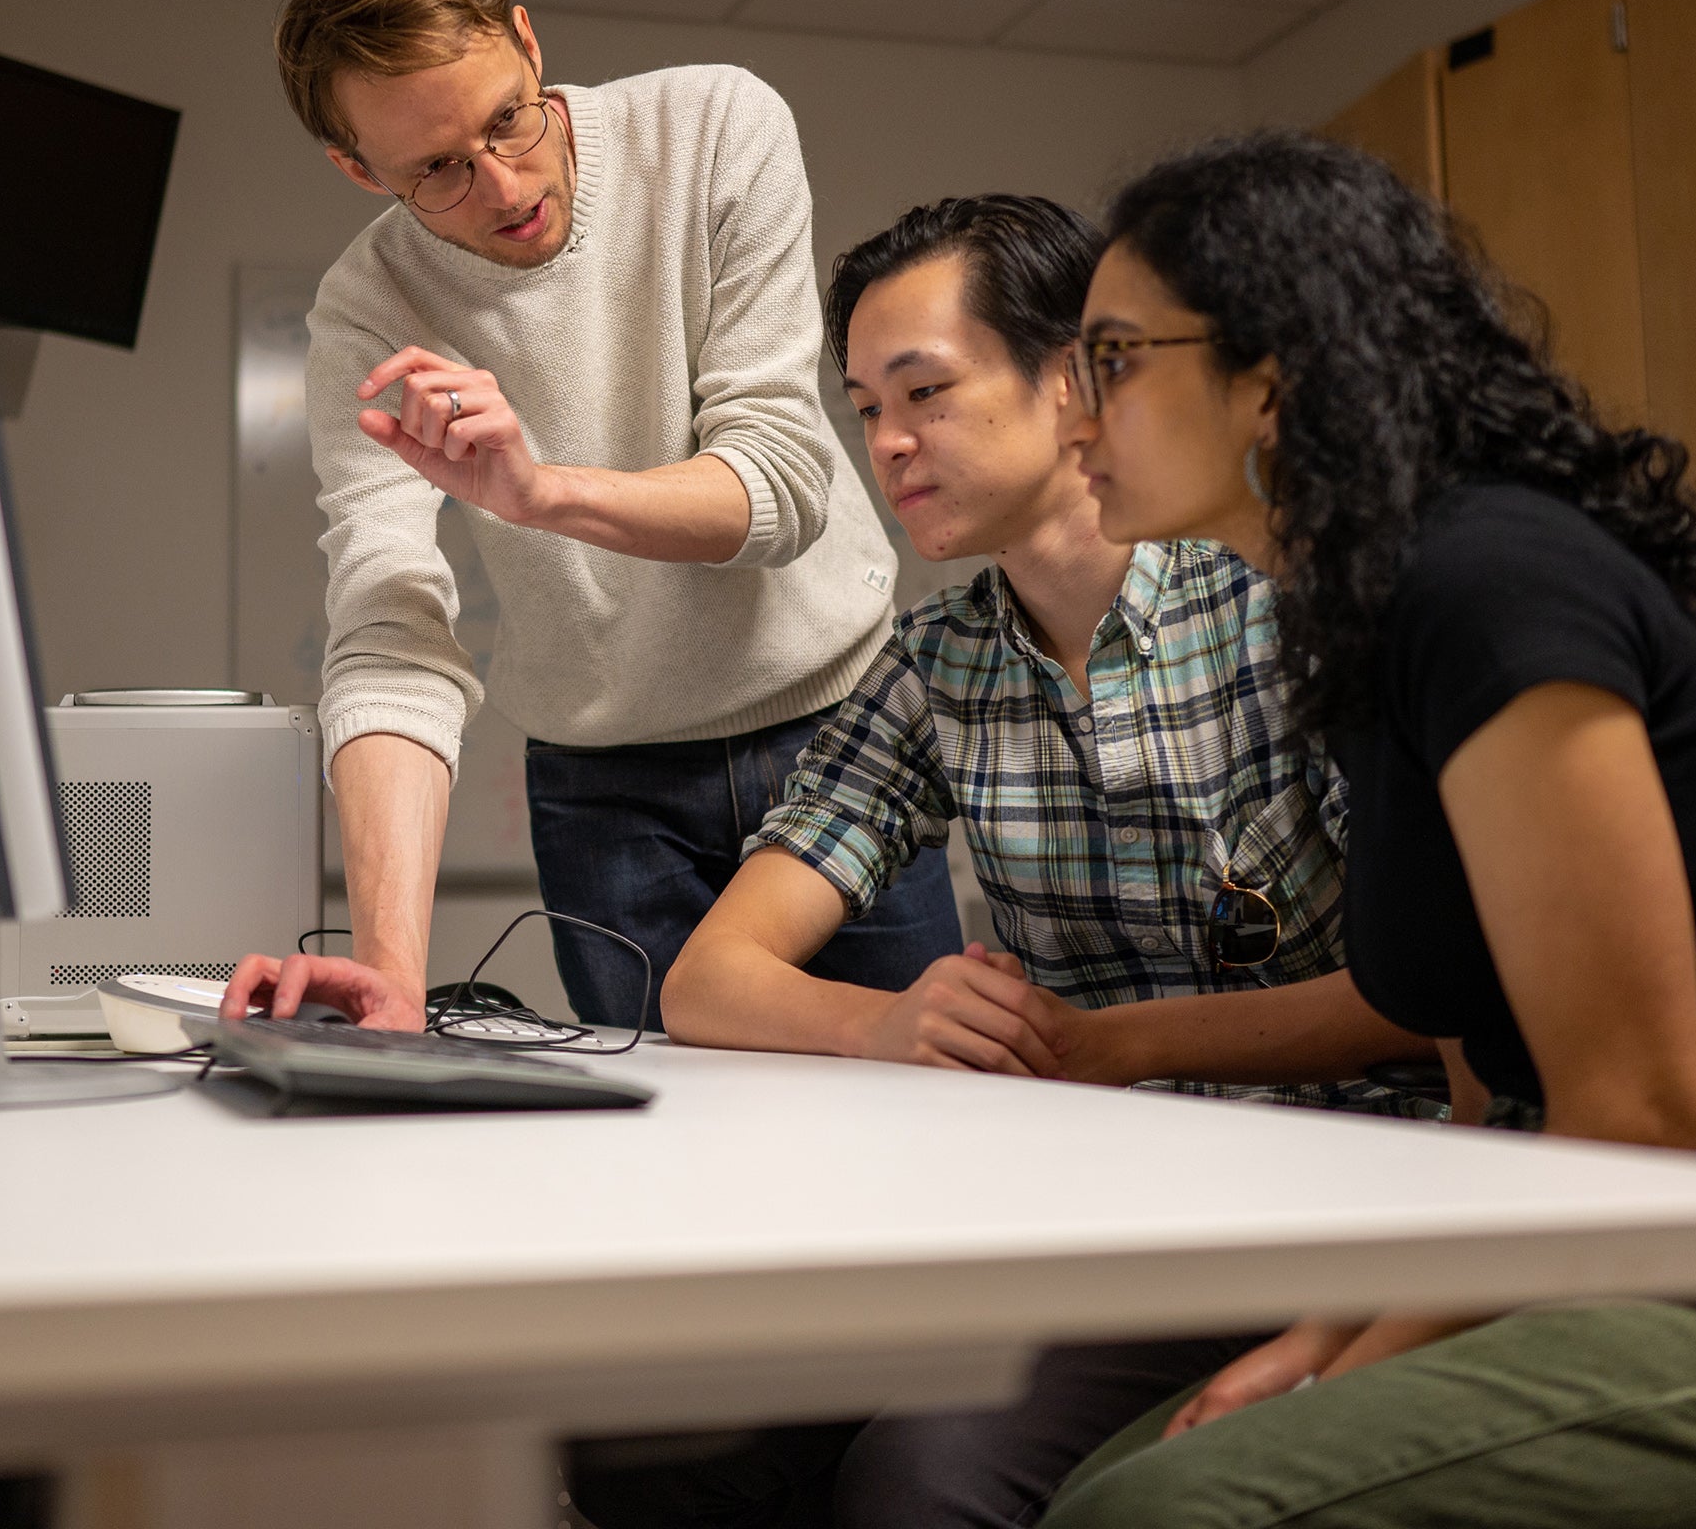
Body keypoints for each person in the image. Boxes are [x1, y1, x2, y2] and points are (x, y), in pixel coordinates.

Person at [1031, 131, 1696, 1528]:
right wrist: (1331, 1337)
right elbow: (1497, 1103)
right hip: (1637, 1222)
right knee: (1119, 1485)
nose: (1075, 419)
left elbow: (1636, 1122)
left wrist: (1362, 1351)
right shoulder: (1366, 621)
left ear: (1270, 380)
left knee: (1160, 1517)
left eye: (1112, 360)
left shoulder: (1484, 582)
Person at [577, 195, 1429, 1529]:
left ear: (1073, 380)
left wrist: (1109, 1045)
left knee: (926, 1485)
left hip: (1338, 1203)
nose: (888, 444)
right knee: (686, 1441)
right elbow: (711, 977)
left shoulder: (1279, 609)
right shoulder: (942, 659)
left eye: (924, 390)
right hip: (1090, 1219)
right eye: (864, 408)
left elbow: (1424, 997)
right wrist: (893, 1018)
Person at [225, 0, 957, 1032]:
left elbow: (782, 488)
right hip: (608, 781)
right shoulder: (367, 309)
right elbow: (391, 628)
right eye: (435, 171)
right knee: (660, 1151)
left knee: (923, 1123)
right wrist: (390, 968)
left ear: (528, 41)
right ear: (358, 170)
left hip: (838, 727)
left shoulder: (715, 127)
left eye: (507, 117)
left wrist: (543, 494)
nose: (504, 184)